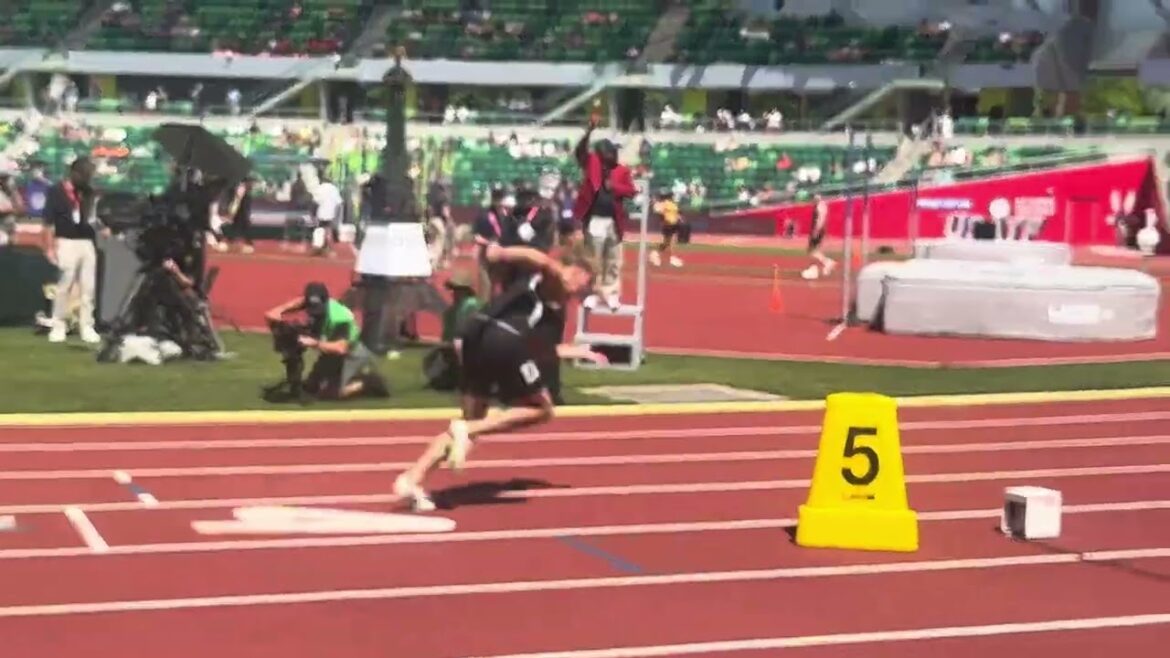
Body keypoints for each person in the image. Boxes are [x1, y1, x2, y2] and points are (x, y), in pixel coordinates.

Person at [393, 242, 608, 511]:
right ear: (575, 269)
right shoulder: (553, 278)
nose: (580, 292)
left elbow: (540, 348)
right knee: (540, 410)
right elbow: (539, 258)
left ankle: (413, 477)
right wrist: (502, 253)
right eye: (584, 283)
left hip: (475, 336)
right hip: (503, 338)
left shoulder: (544, 305)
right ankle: (467, 430)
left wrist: (573, 350)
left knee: (469, 420)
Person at [264, 282, 387, 400]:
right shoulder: (314, 302)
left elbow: (341, 348)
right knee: (311, 387)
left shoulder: (340, 318)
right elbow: (300, 302)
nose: (315, 312)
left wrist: (314, 343)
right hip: (330, 348)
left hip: (351, 353)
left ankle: (367, 382)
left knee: (332, 394)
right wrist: (280, 310)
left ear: (326, 301)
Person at [572, 115, 636, 310]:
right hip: (594, 220)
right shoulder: (592, 163)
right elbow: (580, 151)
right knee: (593, 259)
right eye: (608, 153)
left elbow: (631, 191)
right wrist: (589, 130)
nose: (612, 156)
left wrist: (614, 186)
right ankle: (592, 292)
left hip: (613, 221)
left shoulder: (621, 171)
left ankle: (611, 293)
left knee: (614, 259)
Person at [42, 157, 105, 344]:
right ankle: (58, 324)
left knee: (88, 287)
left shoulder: (89, 192)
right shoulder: (56, 191)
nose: (88, 179)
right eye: (85, 175)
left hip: (87, 242)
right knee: (64, 285)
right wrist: (49, 248)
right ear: (74, 173)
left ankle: (87, 325)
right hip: (65, 241)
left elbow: (94, 217)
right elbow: (47, 222)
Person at [802, 194, 835, 280]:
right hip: (820, 230)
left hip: (818, 230)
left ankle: (821, 266)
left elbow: (820, 219)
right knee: (813, 250)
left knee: (812, 250)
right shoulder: (823, 206)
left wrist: (816, 231)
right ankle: (822, 265)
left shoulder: (819, 208)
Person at [649, 189, 684, 268]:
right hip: (668, 224)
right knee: (670, 242)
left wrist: (680, 219)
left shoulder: (673, 204)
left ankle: (655, 254)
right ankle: (672, 258)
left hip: (674, 224)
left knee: (667, 243)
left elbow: (677, 212)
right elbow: (658, 211)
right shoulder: (663, 204)